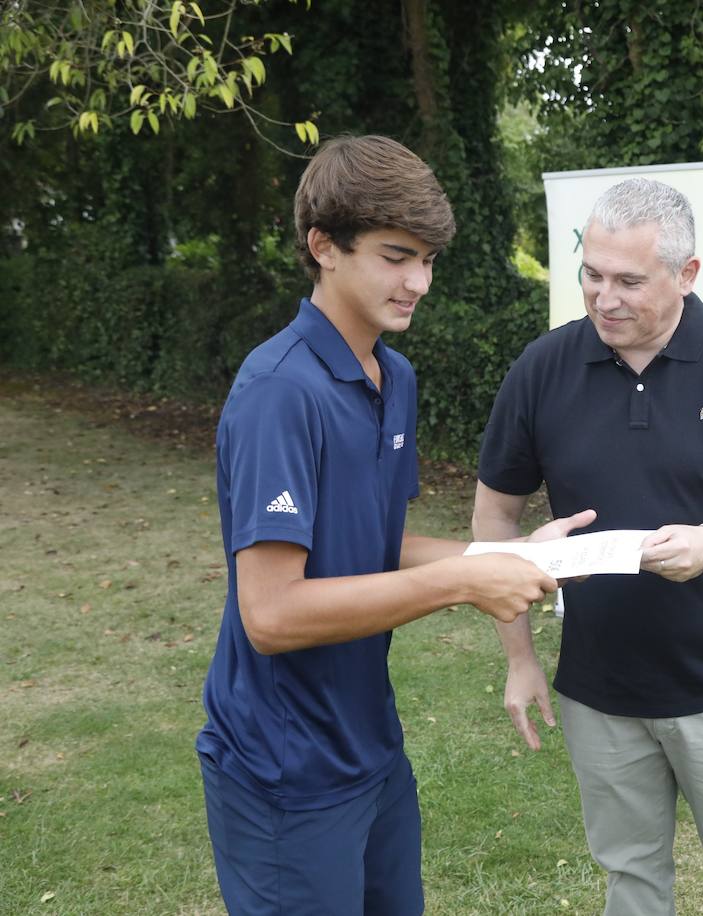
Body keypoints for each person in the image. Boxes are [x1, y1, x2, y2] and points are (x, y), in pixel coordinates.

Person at [196, 135, 591, 916]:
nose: (419, 282)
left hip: (369, 744)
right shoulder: (279, 392)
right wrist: (459, 582)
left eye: (429, 260)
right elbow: (270, 614)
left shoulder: (393, 376)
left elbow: (367, 546)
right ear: (323, 248)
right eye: (395, 256)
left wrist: (499, 553)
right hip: (283, 768)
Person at [473, 177, 703, 915]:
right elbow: (492, 523)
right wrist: (520, 658)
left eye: (629, 280)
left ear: (687, 275)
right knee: (632, 883)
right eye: (592, 274)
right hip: (598, 693)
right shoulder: (544, 367)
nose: (604, 297)